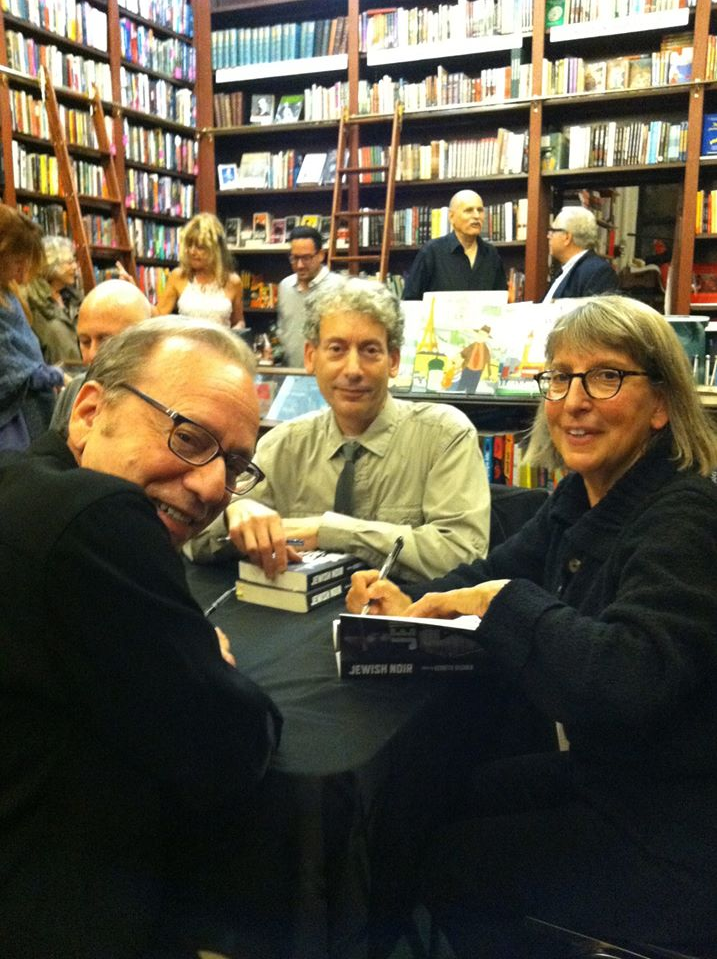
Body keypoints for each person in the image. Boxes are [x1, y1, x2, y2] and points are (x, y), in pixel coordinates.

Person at [346, 296, 717, 957]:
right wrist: (401, 595)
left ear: (660, 405)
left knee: (449, 860)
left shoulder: (683, 514)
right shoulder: (578, 498)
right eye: (558, 377)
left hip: (676, 818)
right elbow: (485, 575)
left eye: (605, 377)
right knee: (431, 797)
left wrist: (500, 602)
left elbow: (627, 680)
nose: (573, 399)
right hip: (620, 779)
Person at [0, 316, 282, 959]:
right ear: (89, 412)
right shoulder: (98, 518)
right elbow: (233, 750)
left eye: (236, 464)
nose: (214, 486)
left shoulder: (22, 488)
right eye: (188, 437)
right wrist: (206, 658)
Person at [186, 275, 490, 581]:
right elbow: (194, 540)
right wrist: (233, 516)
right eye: (336, 349)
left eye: (370, 350)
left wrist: (326, 532)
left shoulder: (444, 436)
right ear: (310, 357)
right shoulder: (283, 445)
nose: (353, 370)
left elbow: (463, 553)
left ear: (394, 361)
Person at [49, 278, 153, 433]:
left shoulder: (164, 402)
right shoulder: (75, 391)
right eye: (85, 342)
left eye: (105, 341)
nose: (92, 355)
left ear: (145, 340)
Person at [0, 206, 65, 451]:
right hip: (9, 425)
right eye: (17, 261)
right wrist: (50, 375)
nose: (22, 271)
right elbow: (7, 368)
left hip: (31, 410)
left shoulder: (9, 293)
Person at [402, 189, 507, 300]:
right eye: (469, 210)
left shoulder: (491, 254)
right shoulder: (431, 252)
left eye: (480, 210)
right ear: (451, 217)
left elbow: (500, 301)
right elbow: (410, 301)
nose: (476, 216)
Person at [153, 212, 244, 327]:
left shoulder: (233, 282)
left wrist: (237, 329)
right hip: (186, 344)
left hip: (219, 344)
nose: (192, 252)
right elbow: (158, 315)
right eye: (189, 246)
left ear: (216, 249)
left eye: (200, 247)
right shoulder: (178, 276)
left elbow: (238, 321)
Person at [276, 224, 342, 367]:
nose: (299, 265)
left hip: (329, 375)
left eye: (306, 258)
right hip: (292, 372)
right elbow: (283, 329)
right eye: (294, 258)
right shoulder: (284, 286)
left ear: (321, 255)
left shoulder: (339, 287)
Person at [25, 235, 83, 364]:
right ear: (51, 265)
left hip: (80, 377)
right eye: (69, 262)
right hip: (53, 380)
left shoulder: (75, 299)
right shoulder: (32, 303)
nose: (75, 267)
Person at [543, 206, 620, 300]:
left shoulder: (598, 272)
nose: (548, 236)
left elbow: (595, 314)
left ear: (567, 237)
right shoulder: (563, 270)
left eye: (553, 231)